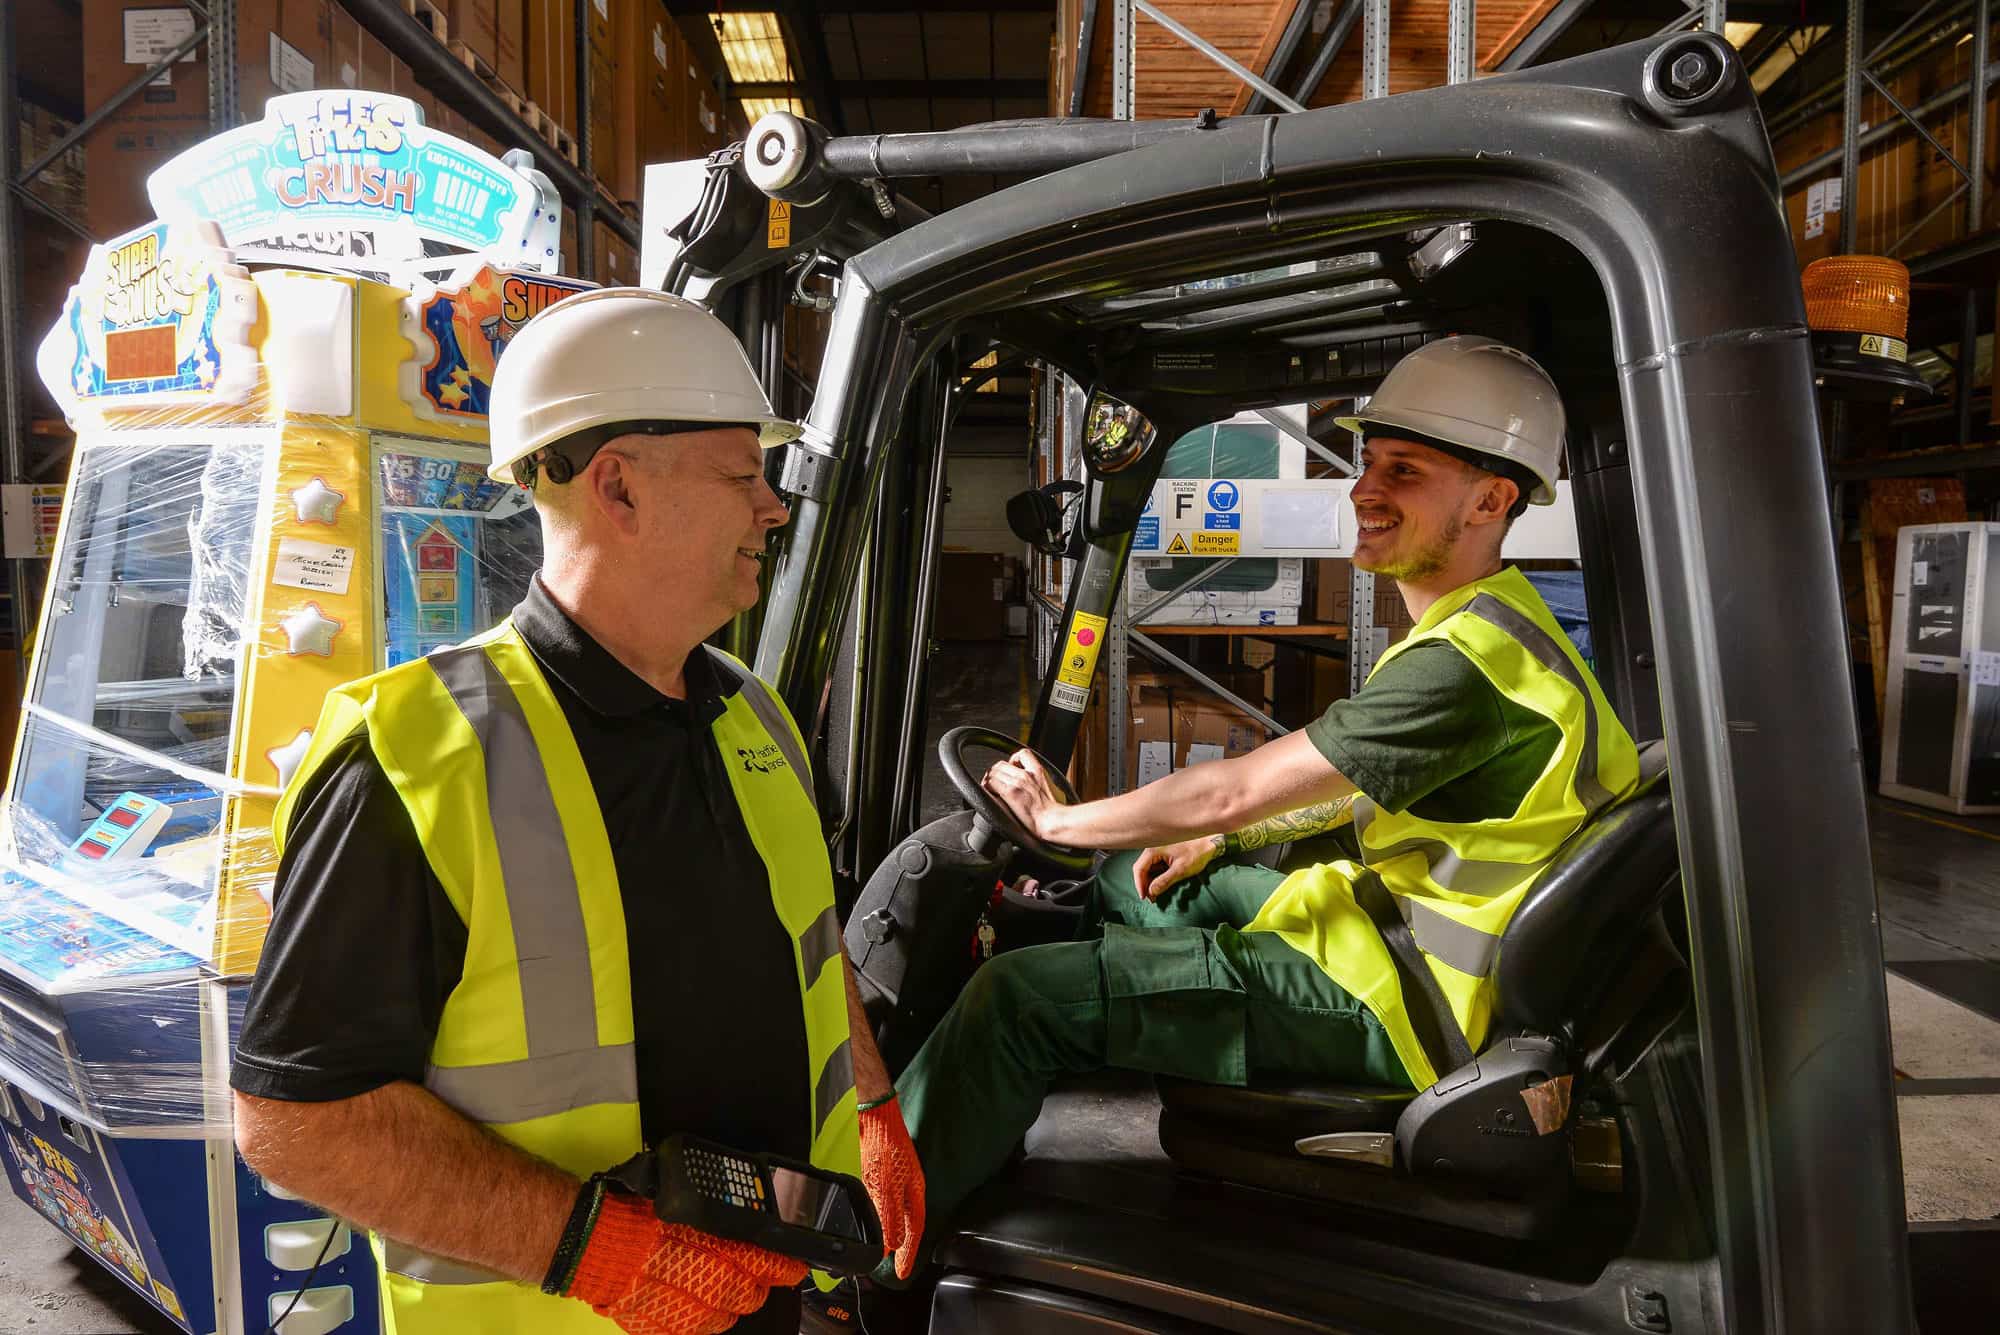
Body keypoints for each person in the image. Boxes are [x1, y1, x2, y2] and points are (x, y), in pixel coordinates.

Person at [231, 288, 924, 1334]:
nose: (772, 508)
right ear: (618, 489)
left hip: (768, 1295)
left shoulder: (757, 717)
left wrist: (871, 1107)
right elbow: (295, 1120)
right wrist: (601, 1253)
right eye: (744, 475)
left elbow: (811, 951)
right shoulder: (416, 754)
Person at [883, 336, 1641, 1261]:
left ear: (1492, 499)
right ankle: (1005, 1096)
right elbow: (1336, 789)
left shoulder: (1465, 668)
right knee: (1135, 880)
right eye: (1368, 462)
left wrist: (1056, 821)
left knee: (1015, 997)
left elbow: (1232, 786)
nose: (1365, 489)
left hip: (1405, 1007)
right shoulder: (1495, 624)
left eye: (1405, 471)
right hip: (1390, 937)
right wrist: (1216, 842)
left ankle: (868, 1256)